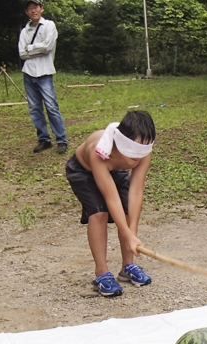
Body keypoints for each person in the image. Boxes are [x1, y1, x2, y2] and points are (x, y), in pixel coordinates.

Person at [65, 111, 155, 297]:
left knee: (128, 211)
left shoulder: (143, 150)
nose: (137, 158)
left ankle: (128, 266)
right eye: (133, 151)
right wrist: (127, 233)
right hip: (84, 171)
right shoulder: (100, 150)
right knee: (99, 213)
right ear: (122, 142)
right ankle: (102, 273)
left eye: (142, 152)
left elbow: (136, 191)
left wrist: (132, 234)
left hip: (115, 170)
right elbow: (111, 198)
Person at [19, 0, 68, 155]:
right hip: (29, 72)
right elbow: (21, 53)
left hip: (45, 72)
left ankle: (61, 140)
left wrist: (31, 48)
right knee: (34, 108)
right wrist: (38, 48)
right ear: (26, 12)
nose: (33, 10)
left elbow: (47, 48)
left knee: (51, 106)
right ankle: (44, 139)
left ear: (41, 9)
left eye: (36, 7)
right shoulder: (24, 31)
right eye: (30, 8)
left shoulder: (49, 26)